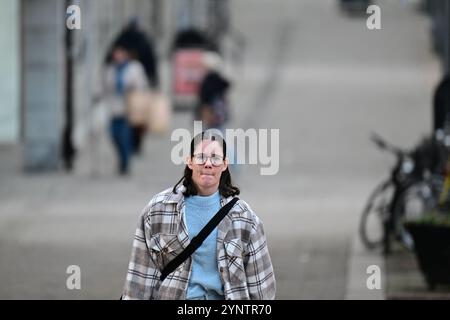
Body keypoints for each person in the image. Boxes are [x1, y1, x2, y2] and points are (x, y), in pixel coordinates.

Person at [122, 130, 276, 299]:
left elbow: (262, 290)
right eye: (201, 157)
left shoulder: (245, 219)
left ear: (225, 164)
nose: (208, 164)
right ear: (189, 161)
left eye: (215, 158)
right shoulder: (157, 210)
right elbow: (139, 281)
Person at [102, 43, 148, 175]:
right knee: (114, 135)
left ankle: (125, 162)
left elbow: (141, 85)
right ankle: (122, 157)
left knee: (124, 137)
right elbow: (106, 86)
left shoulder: (134, 68)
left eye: (120, 53)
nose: (118, 56)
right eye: (116, 53)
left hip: (129, 109)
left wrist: (130, 86)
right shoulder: (110, 69)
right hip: (114, 108)